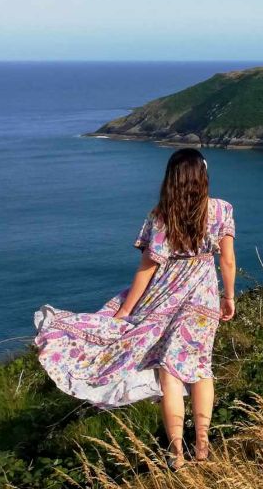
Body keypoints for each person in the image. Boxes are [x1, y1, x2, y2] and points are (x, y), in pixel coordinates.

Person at [33, 148, 237, 470]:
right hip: (204, 299)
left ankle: (176, 454)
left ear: (172, 178)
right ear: (203, 175)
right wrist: (229, 297)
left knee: (169, 373)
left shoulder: (160, 216)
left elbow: (147, 268)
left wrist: (125, 311)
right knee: (201, 369)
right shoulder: (221, 210)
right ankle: (202, 446)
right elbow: (226, 260)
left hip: (164, 297)